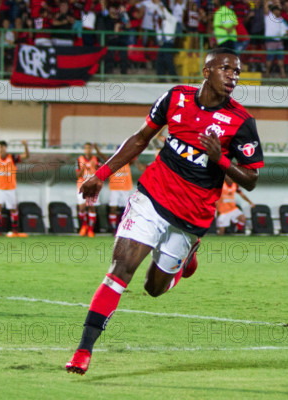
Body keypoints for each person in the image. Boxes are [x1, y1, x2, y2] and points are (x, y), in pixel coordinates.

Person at [65, 48, 264, 375]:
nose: (233, 76)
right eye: (226, 69)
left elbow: (252, 179)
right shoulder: (175, 97)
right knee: (120, 269)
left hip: (192, 216)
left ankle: (185, 259)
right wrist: (100, 175)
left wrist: (221, 160)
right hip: (152, 198)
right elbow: (141, 138)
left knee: (153, 288)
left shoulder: (242, 122)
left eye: (237, 72)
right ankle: (83, 350)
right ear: (206, 70)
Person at [93, 144, 141, 233]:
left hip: (125, 188)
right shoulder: (112, 161)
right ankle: (113, 228)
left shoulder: (128, 160)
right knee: (113, 209)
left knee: (126, 209)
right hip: (115, 188)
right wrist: (97, 150)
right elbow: (102, 156)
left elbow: (135, 157)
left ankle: (125, 227)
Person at [0, 140, 29, 237]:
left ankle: (15, 230)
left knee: (13, 209)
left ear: (5, 148)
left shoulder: (12, 158)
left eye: (2, 147)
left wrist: (25, 145)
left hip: (10, 188)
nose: (0, 149)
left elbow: (26, 156)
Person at [76, 143, 101, 238]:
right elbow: (77, 176)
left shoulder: (96, 159)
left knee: (91, 207)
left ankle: (90, 229)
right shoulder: (79, 159)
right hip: (81, 185)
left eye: (89, 148)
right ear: (84, 149)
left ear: (92, 149)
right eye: (86, 148)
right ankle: (84, 226)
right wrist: (83, 169)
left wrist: (96, 167)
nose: (88, 150)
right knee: (82, 207)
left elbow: (102, 173)